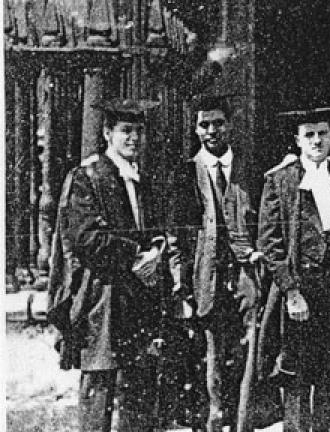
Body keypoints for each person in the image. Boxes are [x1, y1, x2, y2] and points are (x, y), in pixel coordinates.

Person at [55, 98, 172, 431]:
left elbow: (153, 230)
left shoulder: (138, 179)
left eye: (138, 131)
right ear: (108, 133)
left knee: (139, 386)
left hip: (136, 296)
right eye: (125, 131)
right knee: (101, 384)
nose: (133, 138)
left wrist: (156, 251)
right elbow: (85, 237)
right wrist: (135, 255)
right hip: (103, 296)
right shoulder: (88, 175)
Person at [256, 106, 330, 432]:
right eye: (309, 135)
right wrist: (291, 292)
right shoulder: (279, 180)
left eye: (322, 133)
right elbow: (270, 244)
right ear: (297, 140)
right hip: (300, 292)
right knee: (296, 376)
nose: (317, 141)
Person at [169, 94, 264, 431]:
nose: (211, 131)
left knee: (248, 349)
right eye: (204, 125)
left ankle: (244, 420)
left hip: (245, 276)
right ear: (196, 129)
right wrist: (182, 287)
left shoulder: (249, 170)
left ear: (230, 125)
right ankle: (212, 419)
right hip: (205, 277)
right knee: (210, 352)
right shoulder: (186, 175)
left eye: (218, 124)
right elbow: (177, 238)